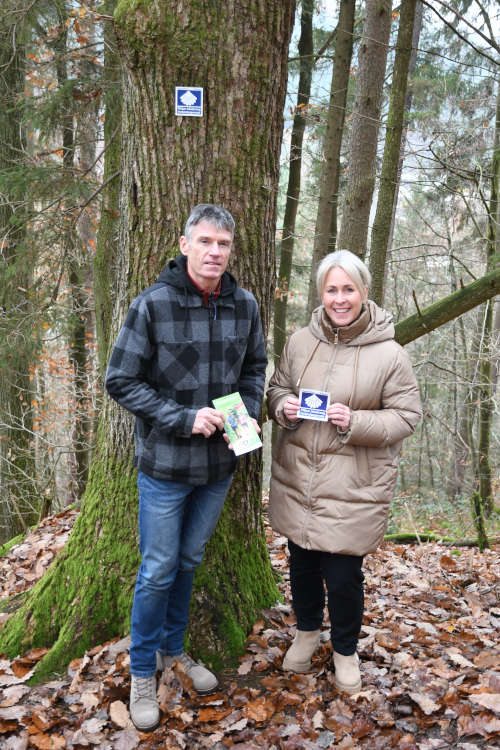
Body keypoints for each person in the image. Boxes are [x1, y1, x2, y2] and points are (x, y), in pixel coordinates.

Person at [105, 204, 267, 731]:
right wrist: (180, 418)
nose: (214, 252)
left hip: (218, 468)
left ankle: (174, 651)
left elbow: (255, 369)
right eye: (204, 242)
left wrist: (242, 416)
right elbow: (120, 380)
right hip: (164, 467)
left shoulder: (245, 305)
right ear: (184, 244)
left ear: (230, 250)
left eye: (223, 244)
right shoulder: (151, 305)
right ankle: (143, 672)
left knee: (190, 560)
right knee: (156, 570)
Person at [266, 250, 422, 694]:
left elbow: (406, 417)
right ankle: (306, 632)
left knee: (343, 576)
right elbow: (277, 388)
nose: (339, 299)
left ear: (364, 292)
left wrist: (354, 421)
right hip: (300, 477)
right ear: (321, 294)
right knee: (301, 563)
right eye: (331, 290)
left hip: (355, 483)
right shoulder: (300, 342)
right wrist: (283, 407)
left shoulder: (390, 354)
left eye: (348, 289)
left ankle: (345, 651)